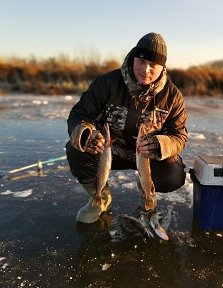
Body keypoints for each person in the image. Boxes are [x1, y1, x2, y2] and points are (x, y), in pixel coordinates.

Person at [66, 32, 188, 224]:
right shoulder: (107, 83)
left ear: (162, 67)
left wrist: (160, 144)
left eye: (153, 65)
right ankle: (100, 197)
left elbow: (179, 136)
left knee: (174, 174)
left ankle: (147, 194)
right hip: (109, 150)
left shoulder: (173, 97)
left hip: (147, 157)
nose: (146, 69)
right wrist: (87, 135)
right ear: (133, 58)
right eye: (141, 61)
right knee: (76, 149)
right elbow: (80, 114)